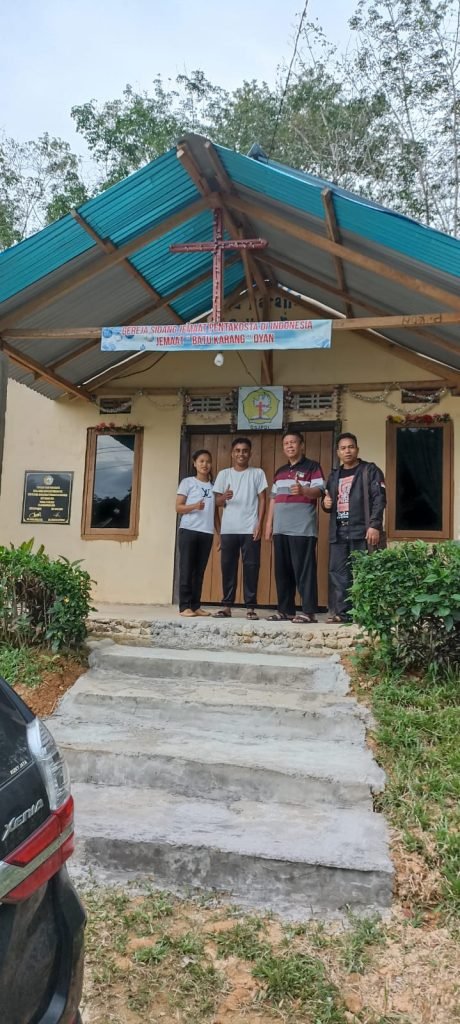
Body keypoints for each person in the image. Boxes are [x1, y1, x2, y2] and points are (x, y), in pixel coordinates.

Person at [322, 432, 386, 623]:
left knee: (365, 572)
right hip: (338, 531)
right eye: (343, 448)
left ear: (357, 449)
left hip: (362, 530)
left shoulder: (370, 470)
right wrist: (325, 504)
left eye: (350, 447)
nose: (347, 451)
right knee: (339, 573)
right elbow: (328, 502)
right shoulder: (334, 475)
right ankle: (343, 614)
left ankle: (366, 614)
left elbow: (379, 499)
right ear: (338, 452)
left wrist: (374, 525)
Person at [265, 430, 325, 623]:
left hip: (302, 528)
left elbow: (319, 491)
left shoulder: (313, 467)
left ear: (302, 445)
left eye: (293, 442)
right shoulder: (280, 471)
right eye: (286, 443)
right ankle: (286, 610)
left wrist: (303, 490)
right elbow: (273, 499)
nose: (289, 446)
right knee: (282, 572)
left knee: (304, 571)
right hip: (280, 528)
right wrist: (269, 524)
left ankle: (309, 612)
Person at [213, 437, 267, 620]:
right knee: (228, 567)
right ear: (232, 453)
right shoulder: (224, 474)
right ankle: (226, 606)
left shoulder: (257, 473)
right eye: (237, 450)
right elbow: (215, 503)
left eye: (244, 450)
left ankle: (250, 607)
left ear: (250, 453)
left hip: (250, 528)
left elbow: (263, 499)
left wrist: (259, 523)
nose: (241, 454)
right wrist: (223, 498)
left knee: (251, 567)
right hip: (228, 529)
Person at [176, 449, 219, 618]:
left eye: (208, 461)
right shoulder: (187, 482)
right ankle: (184, 606)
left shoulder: (213, 487)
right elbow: (178, 507)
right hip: (189, 530)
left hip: (206, 532)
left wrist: (219, 533)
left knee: (199, 572)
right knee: (187, 569)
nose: (205, 464)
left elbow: (215, 513)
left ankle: (196, 605)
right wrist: (194, 506)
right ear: (194, 463)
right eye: (201, 461)